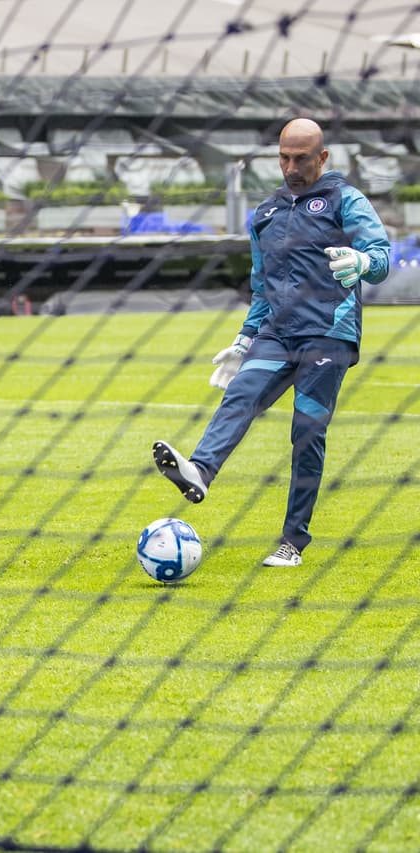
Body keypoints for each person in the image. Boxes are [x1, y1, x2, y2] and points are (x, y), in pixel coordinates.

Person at [153, 117, 390, 567]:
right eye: (283, 157)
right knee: (241, 393)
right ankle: (200, 471)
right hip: (276, 335)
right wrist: (243, 341)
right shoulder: (265, 214)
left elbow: (381, 256)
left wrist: (362, 261)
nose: (290, 166)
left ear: (322, 158)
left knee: (306, 434)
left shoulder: (346, 200)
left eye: (301, 158)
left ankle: (293, 541)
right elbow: (262, 289)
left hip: (329, 335)